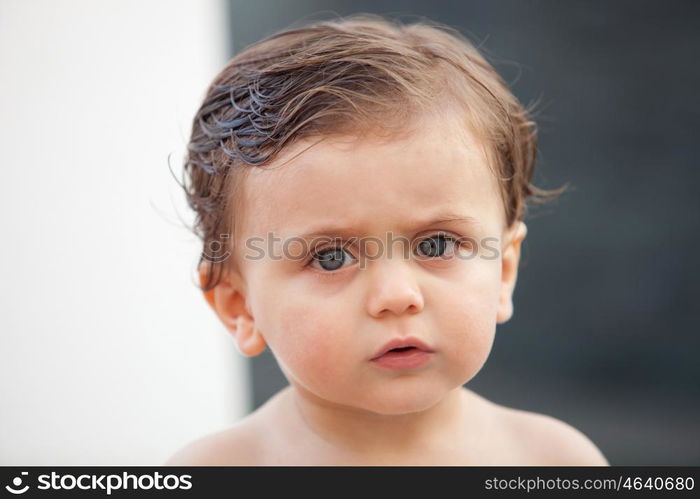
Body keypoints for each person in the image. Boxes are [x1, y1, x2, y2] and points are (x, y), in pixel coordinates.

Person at [165, 13, 609, 466]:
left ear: (504, 271)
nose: (397, 296)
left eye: (435, 245)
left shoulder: (553, 461)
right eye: (332, 257)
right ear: (239, 307)